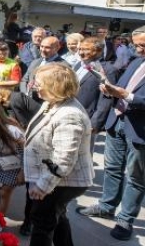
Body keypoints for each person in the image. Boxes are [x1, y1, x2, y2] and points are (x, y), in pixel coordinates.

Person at [78, 26, 145, 241]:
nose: (138, 49)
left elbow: (131, 95)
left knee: (136, 177)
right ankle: (107, 206)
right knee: (112, 168)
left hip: (139, 129)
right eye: (136, 45)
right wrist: (109, 89)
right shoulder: (135, 61)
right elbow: (121, 87)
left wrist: (128, 96)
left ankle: (125, 219)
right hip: (117, 121)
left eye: (142, 45)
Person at [24, 63, 94, 246]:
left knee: (42, 221)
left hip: (62, 182)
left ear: (54, 86)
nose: (34, 87)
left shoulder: (69, 114)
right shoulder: (53, 102)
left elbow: (63, 160)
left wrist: (42, 186)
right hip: (58, 179)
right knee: (56, 216)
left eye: (39, 84)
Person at [74, 37, 117, 152]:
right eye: (80, 49)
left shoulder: (107, 69)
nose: (81, 52)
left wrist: (95, 123)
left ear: (98, 51)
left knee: (83, 156)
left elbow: (106, 99)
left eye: (86, 49)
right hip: (71, 114)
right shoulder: (79, 65)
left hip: (87, 119)